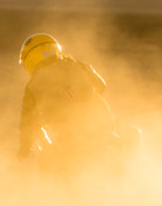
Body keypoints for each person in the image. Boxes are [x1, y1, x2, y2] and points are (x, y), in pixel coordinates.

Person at [17, 33, 119, 162]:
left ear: (30, 59)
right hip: (103, 123)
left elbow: (27, 123)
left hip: (71, 137)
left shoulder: (32, 85)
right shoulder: (77, 64)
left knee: (46, 160)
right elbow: (101, 85)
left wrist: (24, 151)